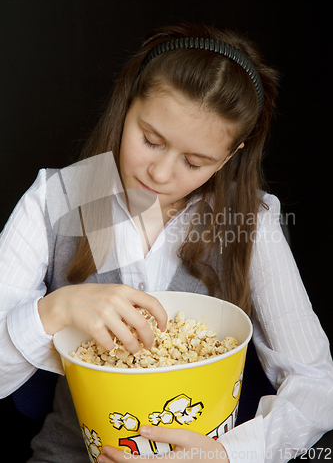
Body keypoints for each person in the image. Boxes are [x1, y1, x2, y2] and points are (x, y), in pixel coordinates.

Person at [0, 23, 332, 463]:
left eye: (195, 162)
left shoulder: (250, 220)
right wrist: (53, 311)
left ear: (230, 157)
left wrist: (228, 454)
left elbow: (316, 384)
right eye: (151, 141)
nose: (160, 174)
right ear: (126, 103)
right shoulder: (55, 201)